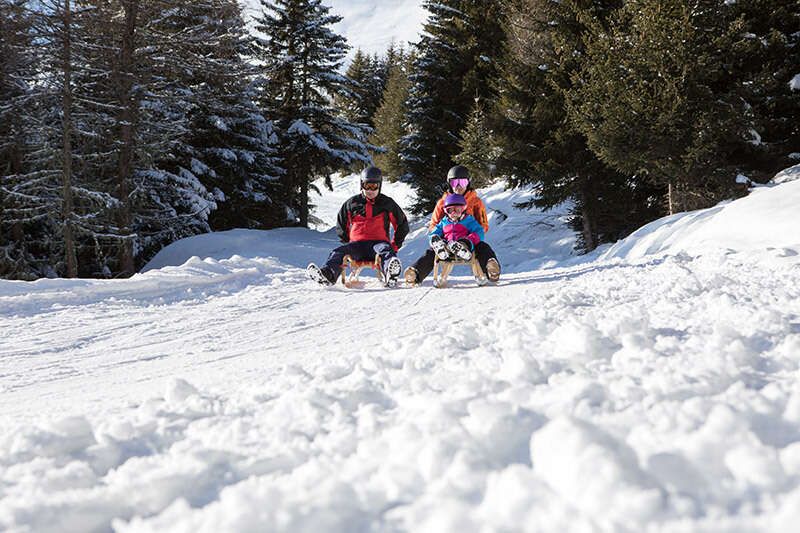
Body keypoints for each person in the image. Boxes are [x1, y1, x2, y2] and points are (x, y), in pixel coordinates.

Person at [307, 166, 409, 286]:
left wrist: (395, 245)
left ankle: (390, 274)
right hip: (357, 246)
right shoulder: (352, 203)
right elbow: (341, 223)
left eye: (374, 186)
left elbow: (402, 224)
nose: (370, 190)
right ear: (361, 185)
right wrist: (347, 243)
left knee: (386, 251)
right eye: (367, 186)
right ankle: (328, 275)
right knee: (339, 252)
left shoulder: (387, 203)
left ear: (379, 186)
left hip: (378, 243)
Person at [405, 165, 500, 285]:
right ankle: (415, 273)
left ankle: (491, 267)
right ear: (449, 183)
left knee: (483, 247)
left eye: (463, 182)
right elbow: (435, 225)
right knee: (431, 252)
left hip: (470, 241)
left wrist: (472, 237)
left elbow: (482, 225)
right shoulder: (442, 203)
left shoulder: (475, 202)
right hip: (446, 242)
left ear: (468, 182)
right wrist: (438, 237)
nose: (459, 186)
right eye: (455, 182)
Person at [429, 193, 484, 262]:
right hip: (448, 245)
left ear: (463, 209)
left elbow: (479, 231)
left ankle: (463, 250)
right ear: (446, 211)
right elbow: (435, 231)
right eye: (450, 210)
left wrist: (469, 240)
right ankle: (416, 270)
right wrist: (434, 237)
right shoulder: (444, 222)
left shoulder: (468, 221)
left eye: (457, 210)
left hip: (464, 244)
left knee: (482, 246)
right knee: (430, 251)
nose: (454, 213)